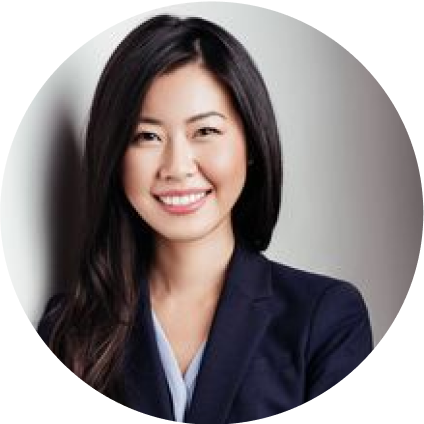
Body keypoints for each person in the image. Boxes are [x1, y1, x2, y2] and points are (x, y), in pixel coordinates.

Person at [38, 14, 373, 423]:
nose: (177, 167)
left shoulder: (325, 319)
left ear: (251, 143)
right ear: (115, 157)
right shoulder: (70, 329)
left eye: (205, 132)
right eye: (147, 136)